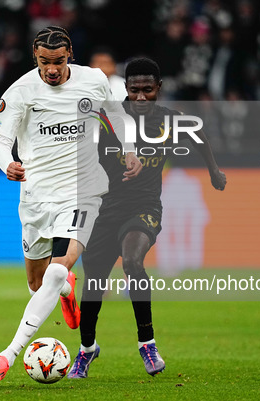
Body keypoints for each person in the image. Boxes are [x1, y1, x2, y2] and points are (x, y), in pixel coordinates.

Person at [0, 26, 143, 383]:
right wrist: (6, 163)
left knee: (56, 270)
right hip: (36, 197)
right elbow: (1, 142)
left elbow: (118, 117)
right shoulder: (21, 91)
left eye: (57, 61)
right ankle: (68, 291)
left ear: (69, 53)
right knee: (40, 284)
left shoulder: (93, 80)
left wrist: (129, 151)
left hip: (81, 192)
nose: (51, 69)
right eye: (44, 62)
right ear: (34, 58)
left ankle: (6, 357)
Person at [67, 57, 227, 379]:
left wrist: (214, 172)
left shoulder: (171, 121)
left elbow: (199, 139)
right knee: (94, 286)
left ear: (159, 89)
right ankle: (86, 350)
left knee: (132, 262)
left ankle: (147, 343)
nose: (141, 97)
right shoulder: (107, 119)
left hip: (144, 209)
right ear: (125, 89)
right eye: (135, 90)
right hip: (103, 211)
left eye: (148, 90)